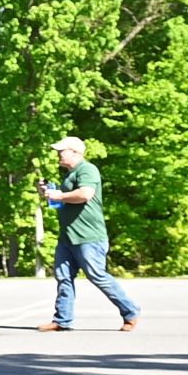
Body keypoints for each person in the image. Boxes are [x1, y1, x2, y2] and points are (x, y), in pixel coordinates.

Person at [38, 135, 141, 332]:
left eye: (62, 151)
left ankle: (130, 312)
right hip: (68, 236)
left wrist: (60, 194)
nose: (58, 154)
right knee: (63, 277)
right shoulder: (69, 174)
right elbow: (66, 200)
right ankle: (62, 320)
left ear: (75, 152)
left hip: (89, 237)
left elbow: (85, 194)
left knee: (97, 275)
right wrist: (50, 194)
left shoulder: (87, 170)